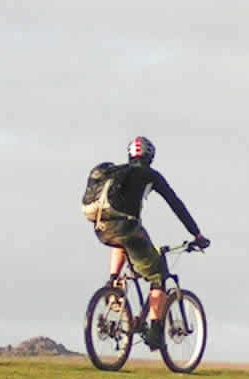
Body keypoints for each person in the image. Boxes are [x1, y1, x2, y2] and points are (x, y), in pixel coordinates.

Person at [88, 136, 209, 350]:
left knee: (121, 242)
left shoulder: (118, 173)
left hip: (101, 228)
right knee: (157, 275)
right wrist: (196, 234)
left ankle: (113, 283)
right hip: (128, 228)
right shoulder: (150, 175)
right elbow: (176, 205)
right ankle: (154, 331)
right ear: (150, 157)